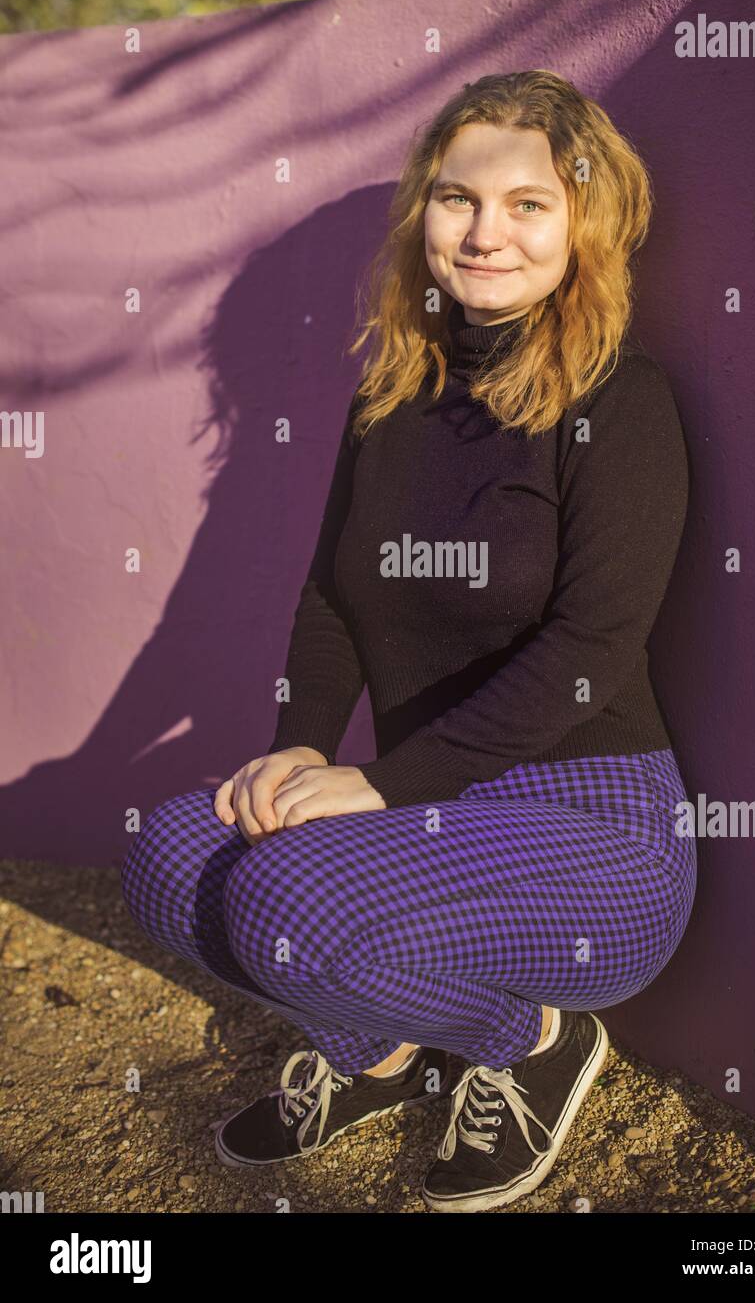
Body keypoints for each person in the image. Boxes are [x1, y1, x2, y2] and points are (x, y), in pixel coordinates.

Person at [121, 69, 696, 1215]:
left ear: (585, 220)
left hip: (597, 828)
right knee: (174, 858)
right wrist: (296, 746)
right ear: (422, 216)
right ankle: (377, 1053)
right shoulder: (393, 395)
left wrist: (382, 783)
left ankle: (528, 1041)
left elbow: (592, 643)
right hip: (436, 815)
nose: (485, 232)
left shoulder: (621, 403)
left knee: (291, 903)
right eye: (455, 198)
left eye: (528, 203)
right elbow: (333, 599)